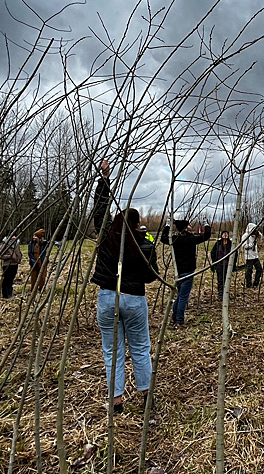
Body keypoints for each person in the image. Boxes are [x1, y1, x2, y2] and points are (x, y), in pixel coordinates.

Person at [90, 163, 158, 414]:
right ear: (137, 223)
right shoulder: (144, 244)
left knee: (112, 352)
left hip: (107, 298)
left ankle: (116, 402)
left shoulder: (108, 235)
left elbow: (99, 211)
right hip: (134, 299)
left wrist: (104, 179)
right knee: (141, 349)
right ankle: (147, 398)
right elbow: (152, 278)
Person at [161, 218, 212, 327]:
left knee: (180, 296)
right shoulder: (191, 238)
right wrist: (206, 224)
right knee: (183, 297)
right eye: (188, 225)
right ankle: (180, 320)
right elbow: (206, 236)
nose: (190, 226)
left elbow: (163, 238)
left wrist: (167, 225)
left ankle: (175, 317)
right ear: (185, 227)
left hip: (178, 271)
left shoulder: (175, 239)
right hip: (188, 271)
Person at [210, 231, 233, 301]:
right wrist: (214, 262)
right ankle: (220, 295)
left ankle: (226, 294)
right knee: (220, 280)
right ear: (221, 235)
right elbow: (212, 252)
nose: (225, 235)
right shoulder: (218, 244)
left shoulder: (230, 244)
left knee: (227, 280)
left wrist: (233, 264)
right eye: (224, 233)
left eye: (227, 233)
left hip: (228, 265)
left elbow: (235, 254)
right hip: (219, 265)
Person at [240, 222, 263, 287]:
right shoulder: (245, 236)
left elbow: (261, 237)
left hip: (255, 256)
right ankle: (248, 284)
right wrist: (251, 245)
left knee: (259, 269)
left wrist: (258, 233)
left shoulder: (255, 235)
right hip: (249, 256)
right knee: (249, 271)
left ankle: (256, 283)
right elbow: (244, 246)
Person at [27, 228, 49, 293]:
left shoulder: (44, 244)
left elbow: (49, 244)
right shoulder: (31, 244)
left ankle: (41, 289)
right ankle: (33, 290)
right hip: (34, 262)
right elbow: (29, 253)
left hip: (42, 262)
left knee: (42, 277)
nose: (34, 238)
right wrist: (33, 261)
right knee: (33, 277)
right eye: (34, 236)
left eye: (36, 236)